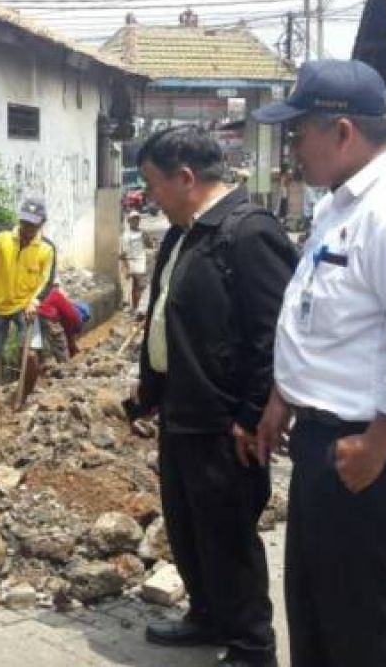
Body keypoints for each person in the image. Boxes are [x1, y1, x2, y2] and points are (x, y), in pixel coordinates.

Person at [253, 59, 386, 667]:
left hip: (369, 443)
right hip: (328, 436)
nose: (293, 148)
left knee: (368, 627)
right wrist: (282, 395)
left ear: (341, 131)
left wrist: (375, 447)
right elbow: (319, 314)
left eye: (300, 133)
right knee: (318, 609)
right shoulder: (342, 204)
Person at [125, 125, 296, 667]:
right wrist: (150, 386)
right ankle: (207, 615)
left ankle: (251, 644)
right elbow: (167, 313)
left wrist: (251, 416)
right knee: (187, 523)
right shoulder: (183, 232)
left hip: (226, 422)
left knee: (227, 533)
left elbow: (274, 336)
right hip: (182, 408)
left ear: (186, 178)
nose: (150, 196)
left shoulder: (248, 233)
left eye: (154, 184)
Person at [0, 198, 56, 406]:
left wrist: (34, 302)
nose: (27, 229)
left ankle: (20, 400)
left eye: (33, 225)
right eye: (25, 223)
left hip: (25, 307)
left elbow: (47, 281)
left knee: (33, 356)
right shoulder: (1, 238)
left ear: (41, 223)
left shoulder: (47, 249)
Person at [36, 283, 88, 362]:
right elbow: (69, 333)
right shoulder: (76, 319)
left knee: (48, 347)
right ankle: (64, 367)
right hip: (46, 314)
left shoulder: (55, 293)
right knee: (60, 345)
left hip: (38, 311)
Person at [119, 210, 152, 313]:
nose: (136, 221)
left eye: (137, 219)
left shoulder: (143, 233)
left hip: (141, 261)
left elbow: (149, 245)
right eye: (133, 219)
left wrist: (149, 241)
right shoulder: (126, 235)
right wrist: (126, 268)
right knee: (136, 286)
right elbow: (123, 253)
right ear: (129, 221)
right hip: (131, 262)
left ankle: (135, 308)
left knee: (138, 287)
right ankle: (135, 308)